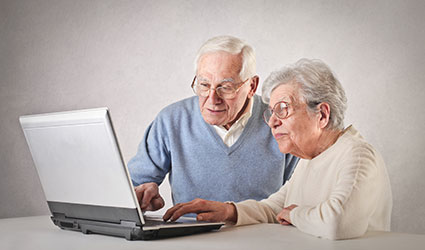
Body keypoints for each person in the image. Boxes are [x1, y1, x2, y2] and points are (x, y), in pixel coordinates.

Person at [162, 58, 393, 240]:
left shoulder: (358, 154)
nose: (272, 121)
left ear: (322, 114)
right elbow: (275, 208)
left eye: (283, 109)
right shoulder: (311, 159)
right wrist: (228, 211)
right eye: (271, 112)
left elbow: (337, 222)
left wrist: (294, 214)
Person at [128, 36, 299, 212]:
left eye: (225, 87)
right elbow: (131, 188)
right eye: (204, 84)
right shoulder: (171, 121)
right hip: (190, 235)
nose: (212, 99)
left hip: (260, 233)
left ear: (252, 86)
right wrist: (142, 194)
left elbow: (302, 196)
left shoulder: (280, 122)